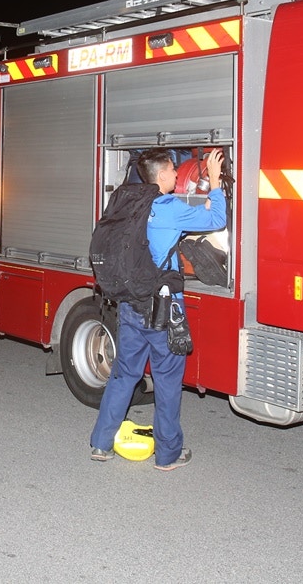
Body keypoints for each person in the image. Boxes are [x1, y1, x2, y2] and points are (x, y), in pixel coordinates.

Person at [89, 147, 227, 471]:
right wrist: (217, 181)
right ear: (162, 175)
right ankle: (167, 455)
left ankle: (100, 443)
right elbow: (217, 218)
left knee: (124, 374)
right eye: (173, 170)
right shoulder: (168, 207)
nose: (177, 175)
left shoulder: (128, 202)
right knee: (166, 379)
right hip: (162, 309)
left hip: (130, 305)